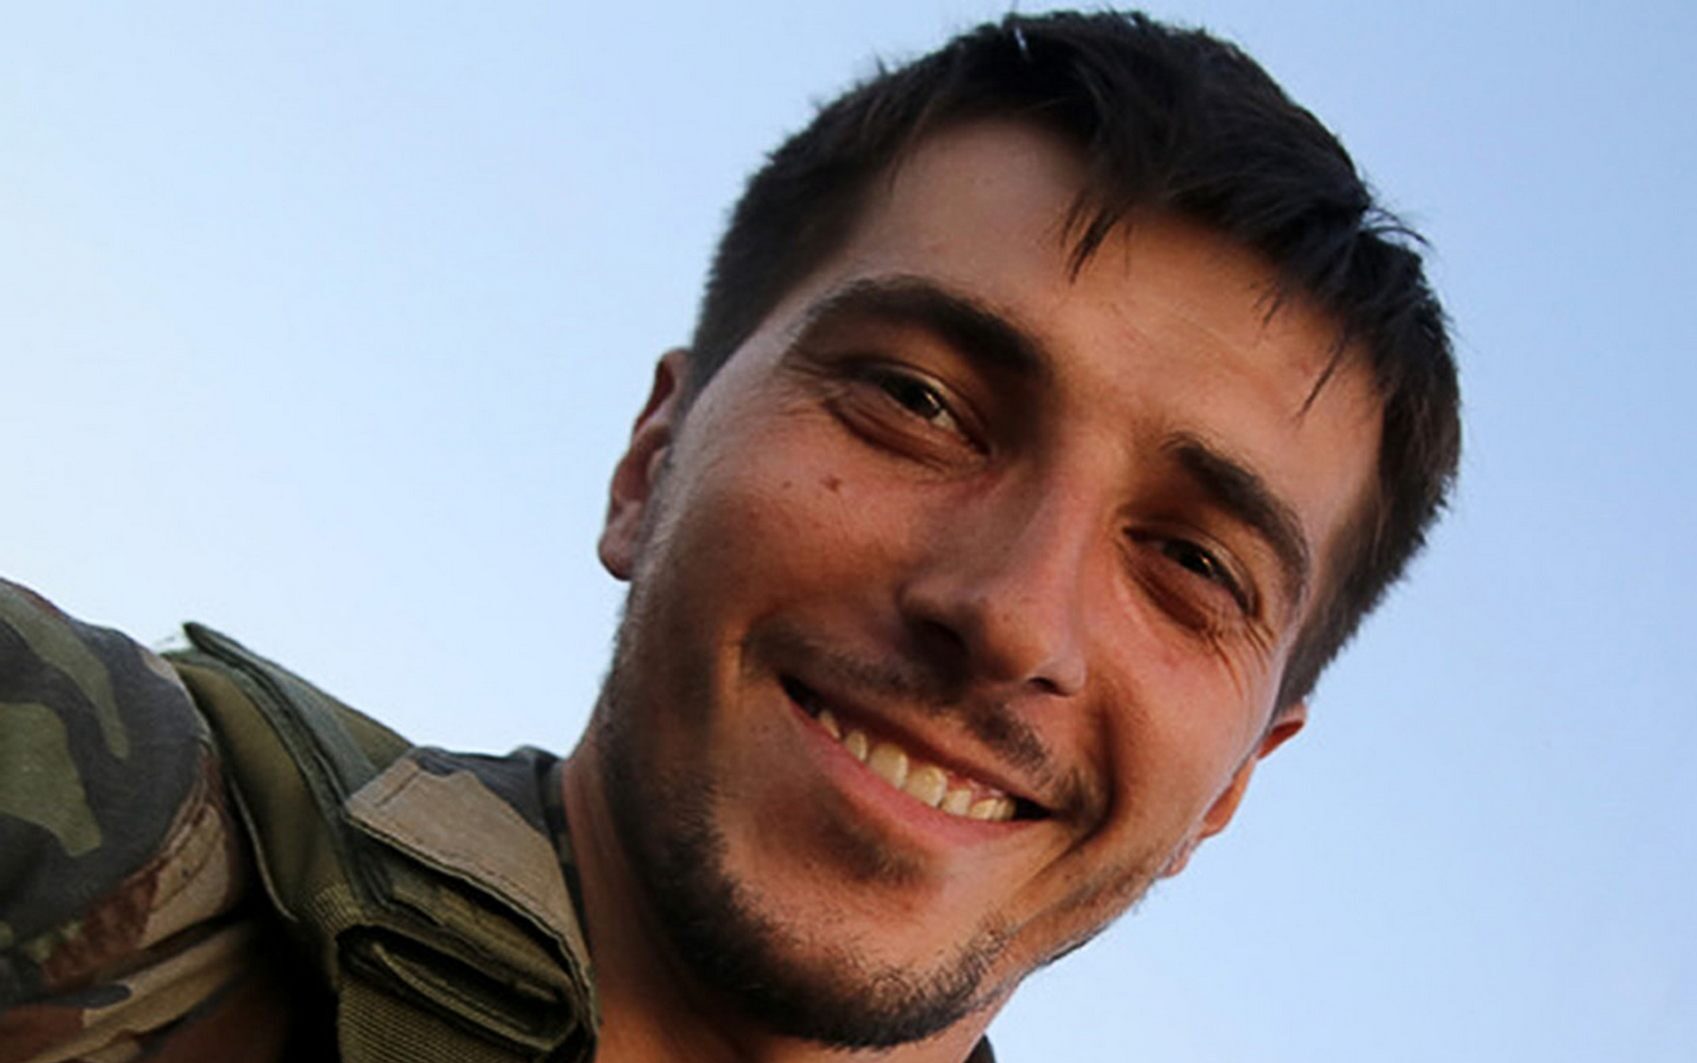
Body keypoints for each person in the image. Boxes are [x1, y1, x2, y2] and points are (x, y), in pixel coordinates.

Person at [0, 9, 1460, 1062]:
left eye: (1194, 565)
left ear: (1231, 787)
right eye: (917, 403)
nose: (1014, 615)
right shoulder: (88, 823)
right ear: (652, 463)